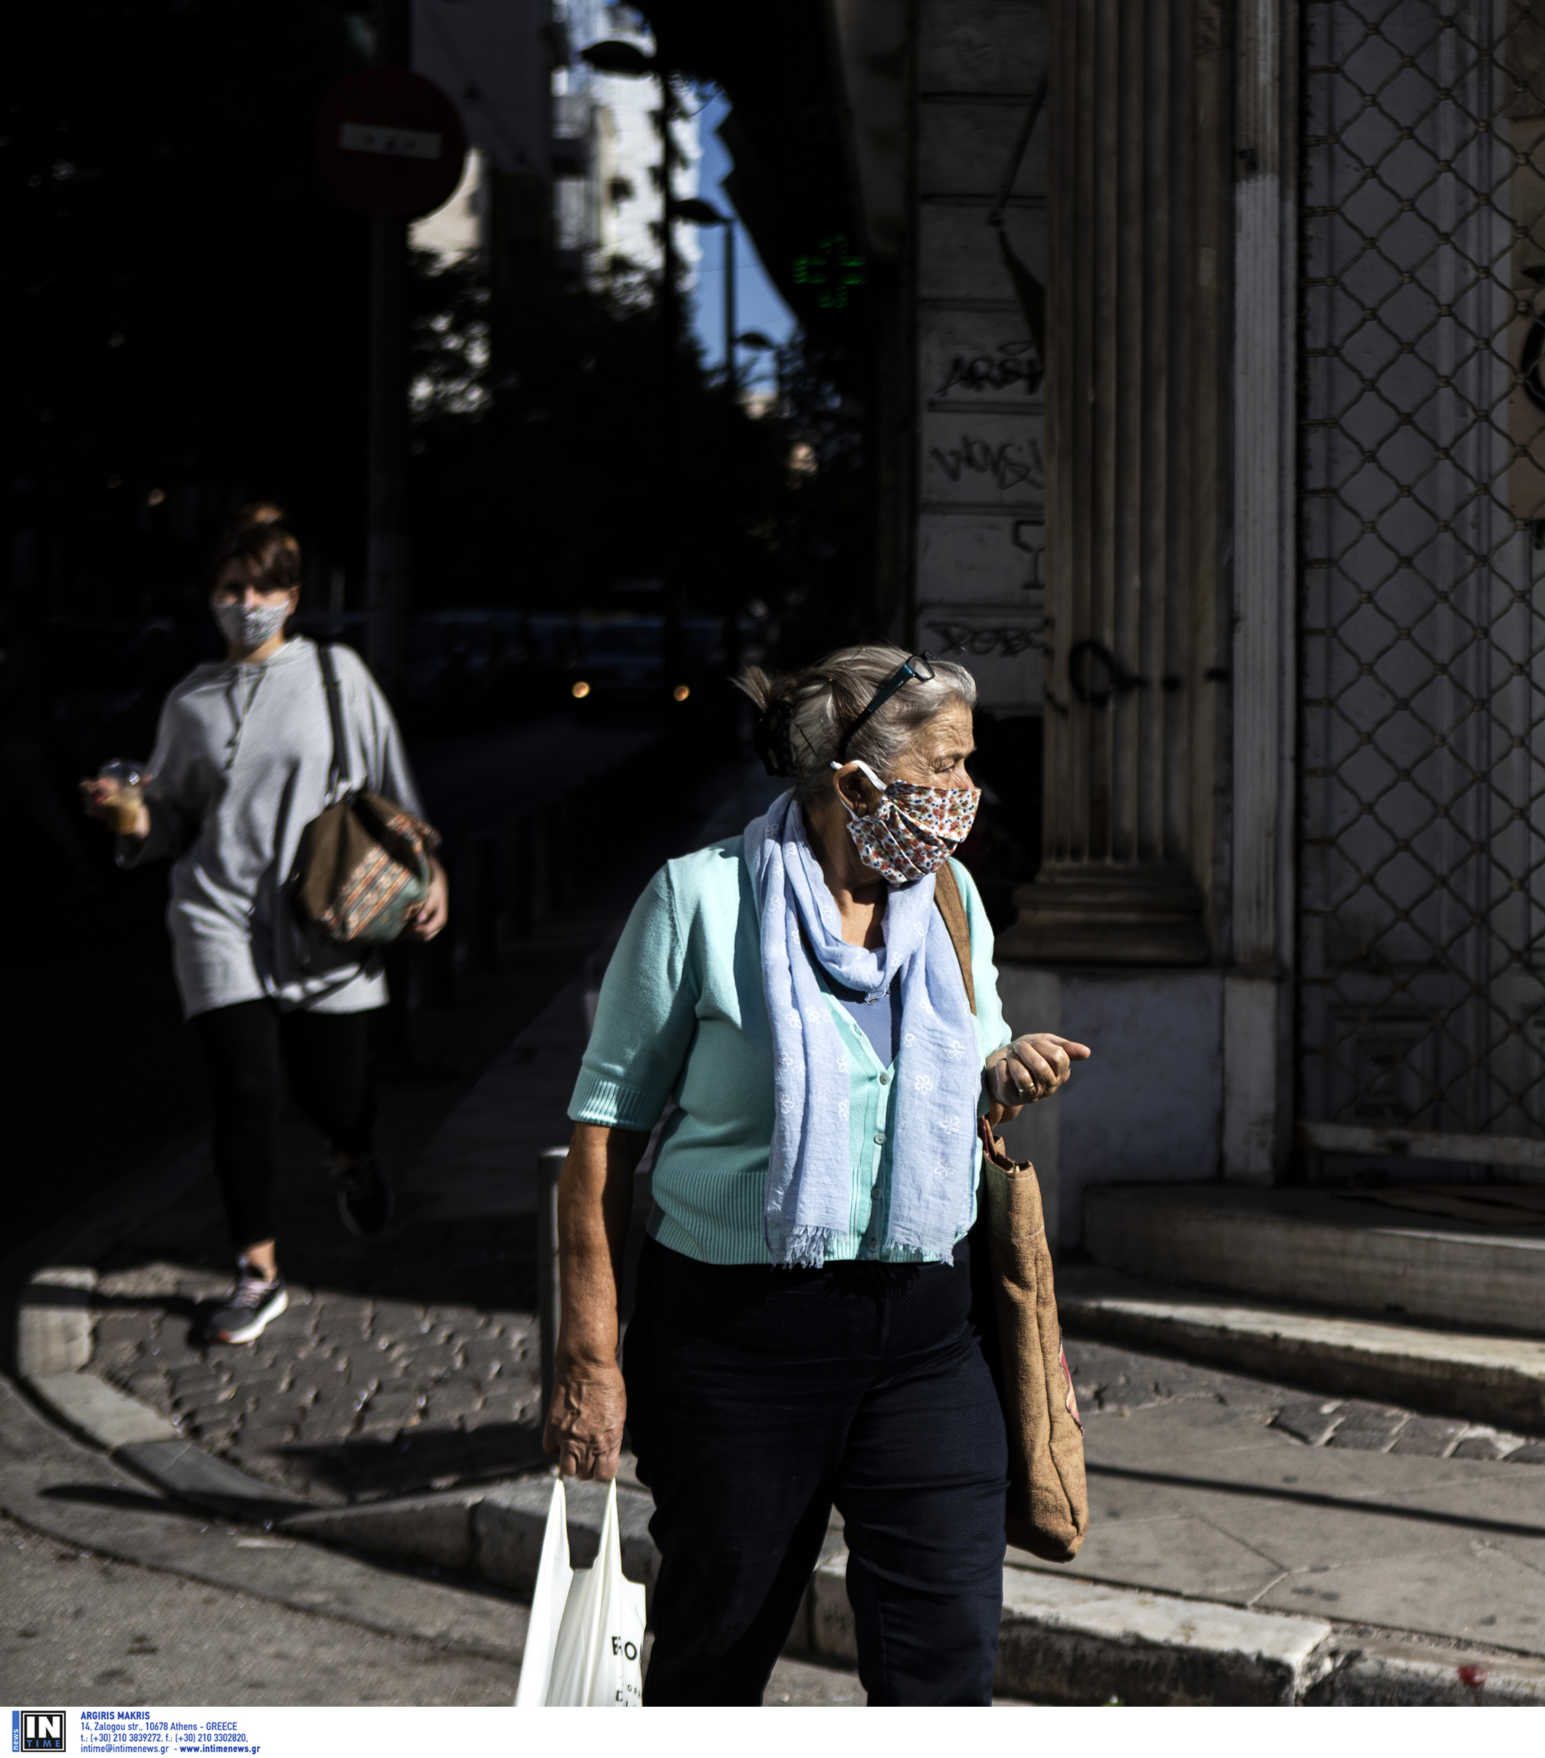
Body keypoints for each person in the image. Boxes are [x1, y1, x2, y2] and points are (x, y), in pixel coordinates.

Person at [544, 645, 1091, 1707]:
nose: (965, 796)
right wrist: (587, 1357)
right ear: (854, 784)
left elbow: (967, 1045)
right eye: (944, 769)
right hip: (735, 1348)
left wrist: (1004, 1068)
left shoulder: (947, 900)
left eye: (968, 767)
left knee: (944, 1669)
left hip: (927, 1339)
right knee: (714, 1661)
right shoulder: (697, 902)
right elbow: (603, 1136)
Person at [80, 509, 448, 1345]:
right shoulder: (190, 701)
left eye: (260, 587)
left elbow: (392, 785)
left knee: (337, 1094)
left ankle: (352, 1154)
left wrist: (438, 876)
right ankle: (257, 1271)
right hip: (216, 919)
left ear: (291, 594)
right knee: (244, 1092)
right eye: (228, 588)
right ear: (212, 596)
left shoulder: (334, 674)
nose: (244, 601)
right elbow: (166, 816)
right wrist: (131, 821)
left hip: (328, 914)